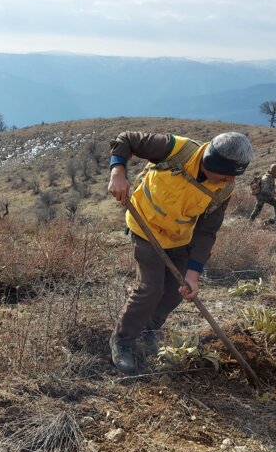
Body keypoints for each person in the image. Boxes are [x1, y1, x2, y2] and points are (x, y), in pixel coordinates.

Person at [107, 131, 254, 374]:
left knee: (178, 291)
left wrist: (194, 274)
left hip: (179, 239)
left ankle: (149, 330)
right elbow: (125, 139)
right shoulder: (176, 150)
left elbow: (207, 232)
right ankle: (122, 341)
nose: (230, 181)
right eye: (226, 175)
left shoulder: (223, 190)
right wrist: (118, 172)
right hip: (145, 228)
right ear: (211, 164)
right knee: (150, 288)